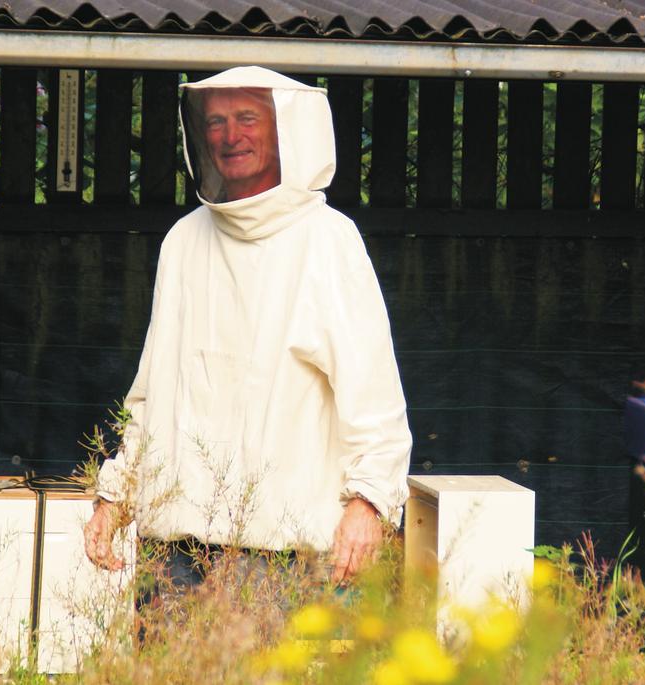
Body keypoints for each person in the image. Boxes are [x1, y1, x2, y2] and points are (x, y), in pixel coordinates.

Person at [83, 66, 412, 588]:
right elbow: (153, 392)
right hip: (173, 552)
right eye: (214, 121)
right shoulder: (183, 241)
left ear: (287, 130)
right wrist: (115, 494)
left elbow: (372, 395)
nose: (228, 136)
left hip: (283, 560)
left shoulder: (328, 242)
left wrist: (369, 503)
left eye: (246, 118)